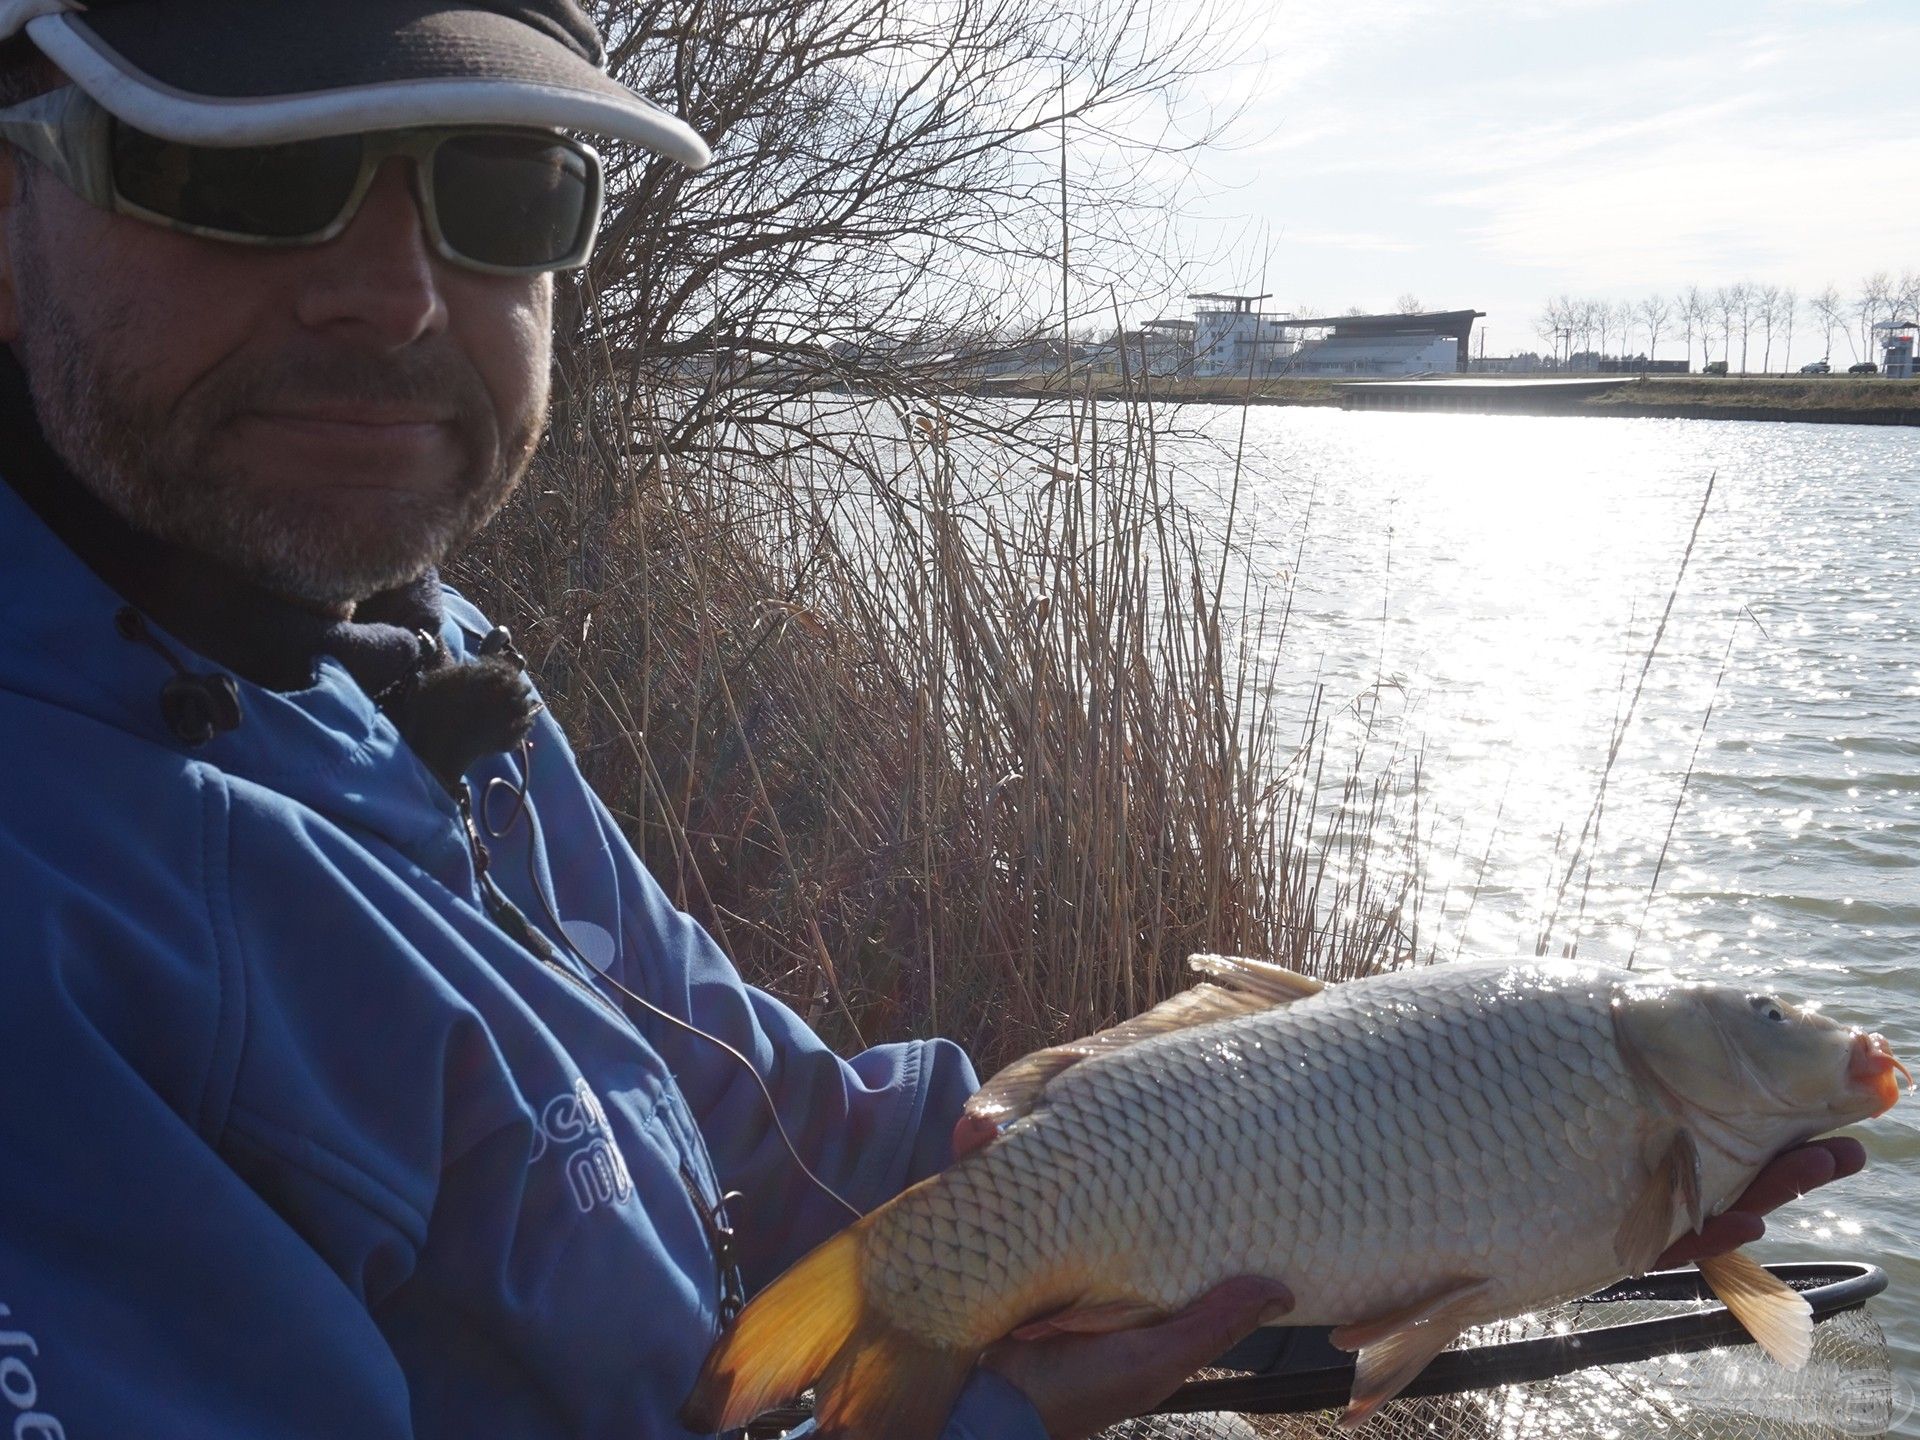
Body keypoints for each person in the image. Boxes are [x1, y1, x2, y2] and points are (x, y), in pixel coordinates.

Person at [0, 4, 1863, 1438]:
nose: (395, 292)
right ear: (12, 214)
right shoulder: (46, 900)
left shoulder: (399, 657)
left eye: (498, 192)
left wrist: (1208, 1138)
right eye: (241, 174)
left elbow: (761, 1122)